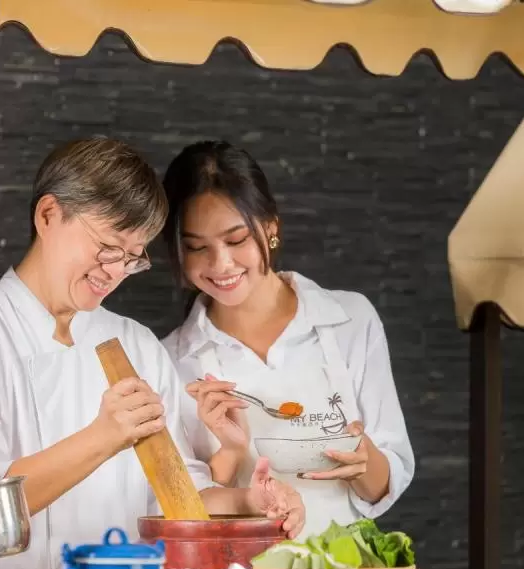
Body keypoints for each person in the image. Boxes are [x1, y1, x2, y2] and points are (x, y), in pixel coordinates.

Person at [0, 137, 306, 569]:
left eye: (132, 258)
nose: (115, 272)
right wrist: (102, 436)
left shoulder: (133, 343)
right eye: (107, 247)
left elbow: (173, 493)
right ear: (48, 215)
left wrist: (248, 501)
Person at [160, 140, 415, 538]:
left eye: (236, 239)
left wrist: (364, 460)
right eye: (197, 248)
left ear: (271, 227)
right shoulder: (172, 358)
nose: (220, 264)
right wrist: (230, 452)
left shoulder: (348, 320)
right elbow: (181, 506)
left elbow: (387, 480)